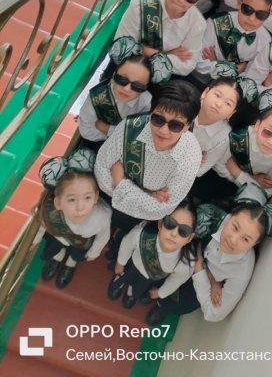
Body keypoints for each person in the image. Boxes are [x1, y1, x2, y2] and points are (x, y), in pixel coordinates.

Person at [146, 184, 272, 325]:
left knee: (183, 301)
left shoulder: (242, 270)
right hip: (189, 255)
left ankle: (163, 306)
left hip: (200, 283)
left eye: (246, 239)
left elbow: (213, 313)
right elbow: (176, 235)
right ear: (230, 217)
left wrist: (201, 270)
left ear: (255, 243)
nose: (233, 240)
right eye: (235, 227)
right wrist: (211, 278)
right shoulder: (209, 217)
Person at [94, 81, 202, 257]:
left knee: (124, 237)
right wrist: (147, 195)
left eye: (175, 125)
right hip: (108, 200)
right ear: (151, 112)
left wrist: (120, 182)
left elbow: (161, 209)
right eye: (158, 119)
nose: (163, 131)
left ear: (188, 126)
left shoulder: (190, 154)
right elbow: (101, 170)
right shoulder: (130, 127)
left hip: (140, 217)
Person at [211, 91, 272, 198]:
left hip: (243, 194)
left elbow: (267, 193)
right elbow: (218, 163)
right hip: (217, 178)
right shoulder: (241, 136)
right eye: (267, 132)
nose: (271, 142)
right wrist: (251, 180)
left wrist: (238, 174)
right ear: (257, 125)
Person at [78, 37, 171, 150]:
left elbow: (139, 134)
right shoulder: (97, 95)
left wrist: (107, 129)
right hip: (94, 144)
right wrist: (117, 136)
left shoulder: (145, 102)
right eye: (122, 80)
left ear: (146, 87)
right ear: (114, 75)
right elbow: (85, 130)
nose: (127, 89)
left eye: (137, 86)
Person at [115, 0, 207, 77]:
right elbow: (121, 48)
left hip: (160, 78)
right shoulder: (138, 6)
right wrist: (166, 54)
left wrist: (147, 51)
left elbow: (186, 66)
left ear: (198, 0)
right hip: (125, 70)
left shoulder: (197, 24)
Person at [38, 149, 111, 288]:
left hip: (82, 243)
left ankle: (70, 263)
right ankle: (58, 257)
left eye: (87, 197)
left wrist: (94, 252)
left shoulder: (102, 216)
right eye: (72, 199)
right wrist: (36, 239)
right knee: (56, 246)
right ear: (58, 202)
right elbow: (43, 221)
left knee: (77, 254)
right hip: (59, 236)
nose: (80, 207)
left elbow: (103, 236)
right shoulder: (51, 209)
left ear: (96, 196)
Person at [108, 201, 198, 309]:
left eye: (184, 230)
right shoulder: (143, 233)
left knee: (138, 287)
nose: (174, 233)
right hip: (132, 265)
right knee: (125, 274)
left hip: (149, 278)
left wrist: (161, 292)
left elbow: (176, 280)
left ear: (190, 238)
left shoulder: (186, 262)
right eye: (170, 223)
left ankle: (131, 290)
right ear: (160, 223)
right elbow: (127, 244)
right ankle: (120, 281)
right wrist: (120, 263)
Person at [196, 0, 272, 78]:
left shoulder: (266, 42)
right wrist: (234, 69)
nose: (251, 19)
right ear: (238, 3)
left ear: (269, 13)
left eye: (261, 14)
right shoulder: (215, 22)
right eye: (247, 9)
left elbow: (252, 78)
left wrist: (216, 64)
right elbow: (198, 63)